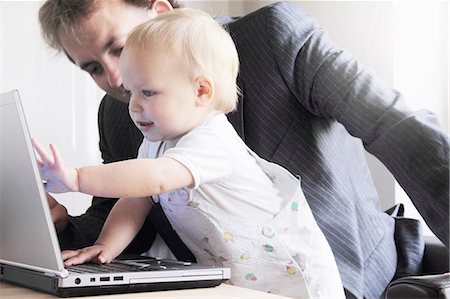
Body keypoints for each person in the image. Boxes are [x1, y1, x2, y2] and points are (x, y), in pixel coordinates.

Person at [37, 0, 449, 298]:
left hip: (329, 275)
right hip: (228, 284)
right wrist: (58, 225)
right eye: (92, 68)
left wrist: (75, 177)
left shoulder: (276, 37)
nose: (114, 80)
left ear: (161, 14)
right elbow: (124, 206)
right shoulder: (121, 113)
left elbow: (398, 128)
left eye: (119, 47)